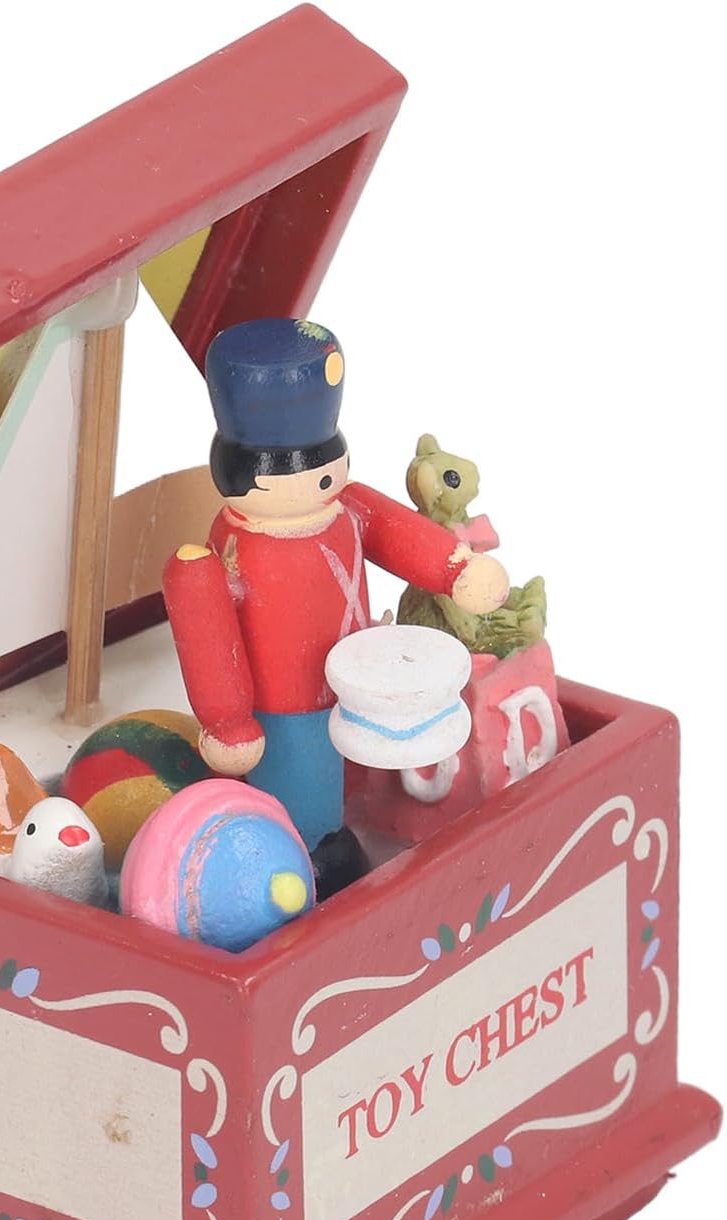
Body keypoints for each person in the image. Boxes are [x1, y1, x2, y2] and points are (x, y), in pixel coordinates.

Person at [163, 318, 508, 886]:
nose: (321, 478)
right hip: (290, 701)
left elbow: (396, 531)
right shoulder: (237, 544)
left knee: (365, 770)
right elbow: (209, 633)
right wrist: (228, 718)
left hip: (366, 676)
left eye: (327, 458)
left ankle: (350, 828)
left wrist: (457, 568)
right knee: (306, 792)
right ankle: (306, 851)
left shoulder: (347, 508)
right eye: (298, 468)